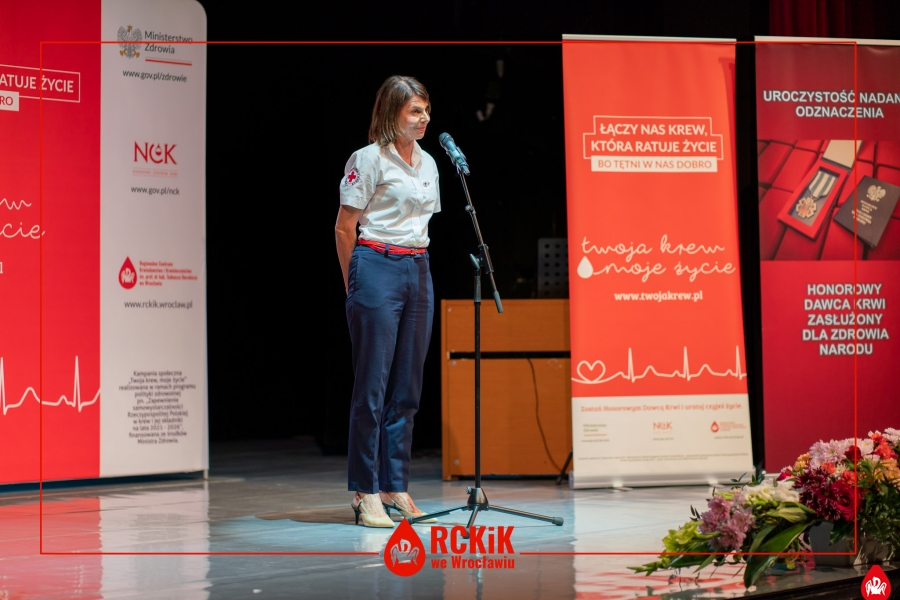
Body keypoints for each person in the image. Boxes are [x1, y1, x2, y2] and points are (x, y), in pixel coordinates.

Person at [335, 75, 440, 528]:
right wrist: (355, 284)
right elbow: (344, 228)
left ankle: (394, 485)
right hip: (376, 264)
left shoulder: (429, 162)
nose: (424, 118)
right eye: (415, 110)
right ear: (392, 112)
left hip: (418, 268)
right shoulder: (368, 159)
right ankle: (365, 490)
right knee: (373, 387)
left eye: (426, 110)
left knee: (408, 388)